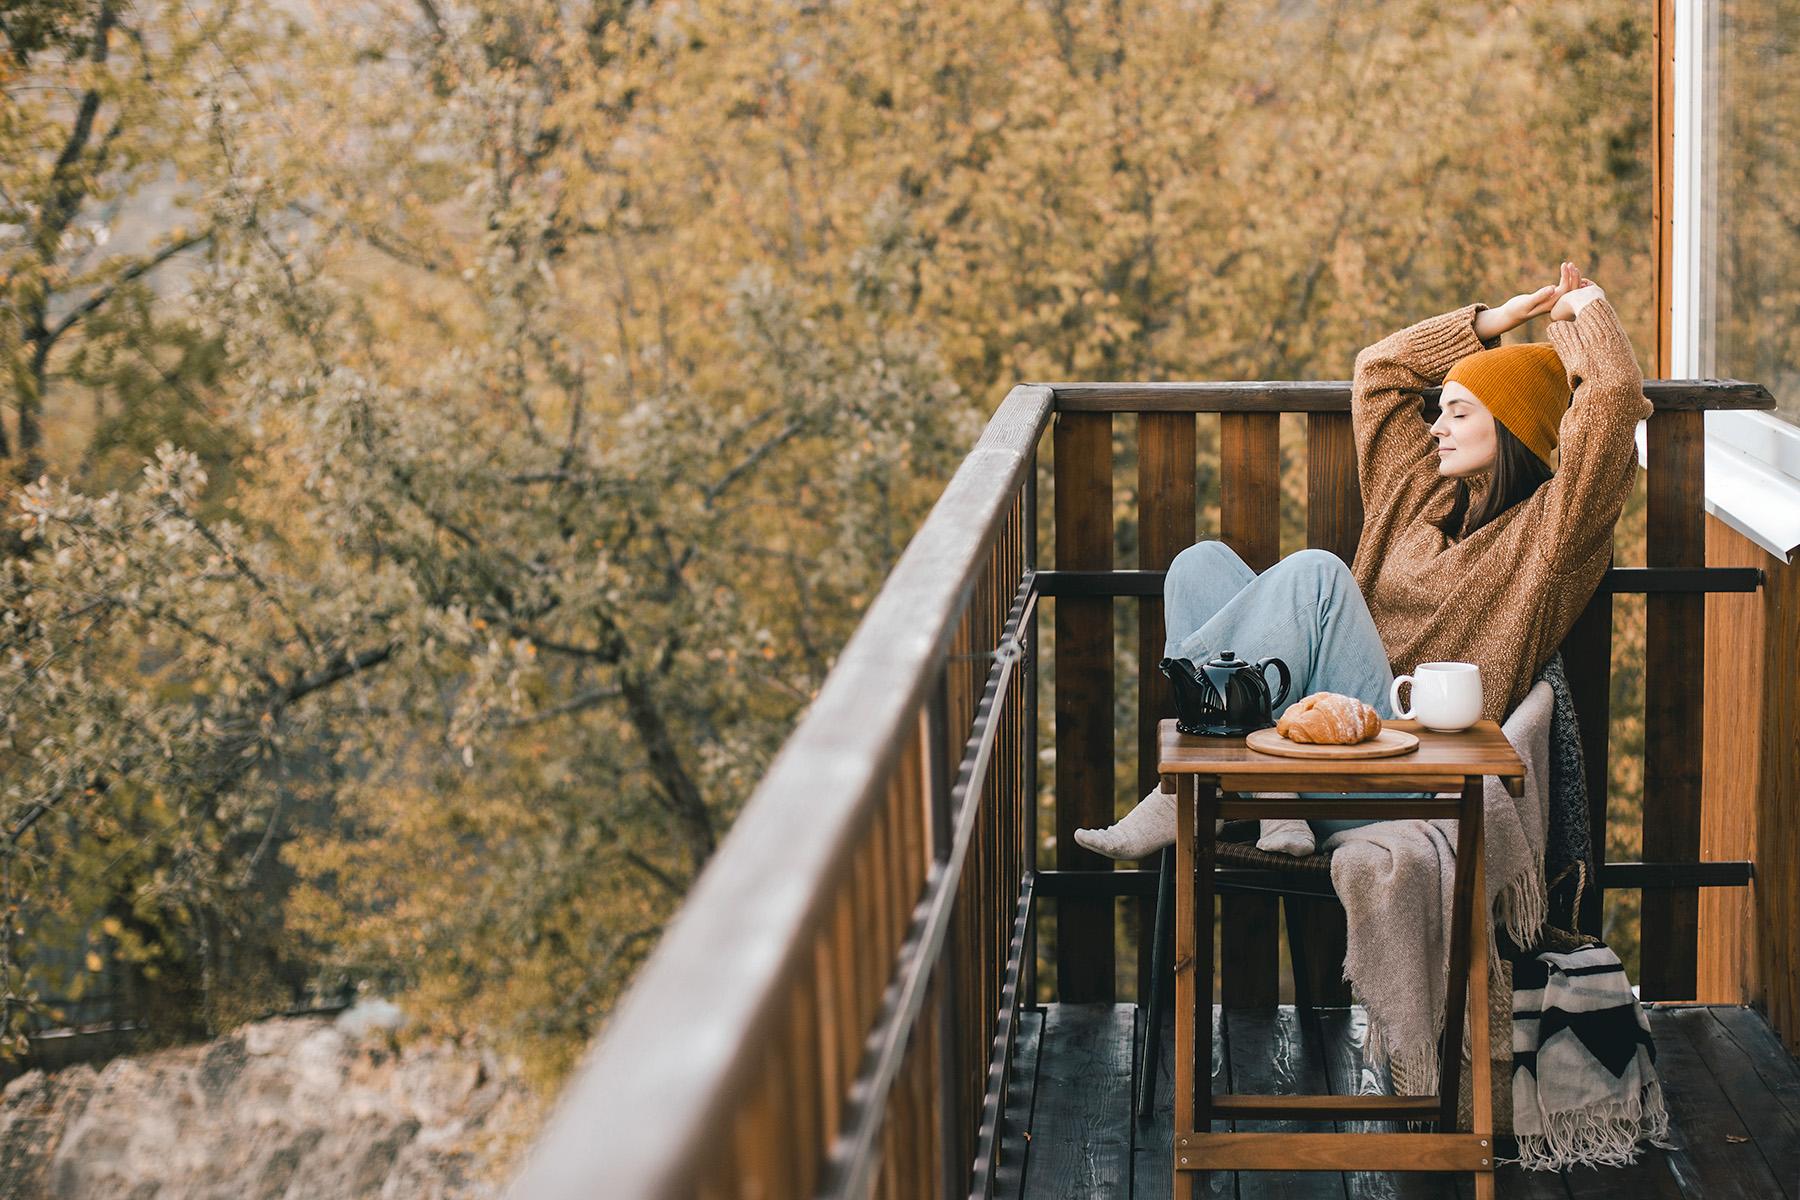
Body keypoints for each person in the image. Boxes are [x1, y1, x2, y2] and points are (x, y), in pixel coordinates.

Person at [1074, 261, 1652, 860]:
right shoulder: (1414, 494)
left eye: (1459, 412)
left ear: (1512, 430)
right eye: (1440, 411)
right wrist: (1495, 320)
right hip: (1320, 743)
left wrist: (1587, 310)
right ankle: (1266, 793)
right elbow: (1378, 371)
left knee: (1319, 575)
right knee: (1199, 564)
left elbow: (1610, 404)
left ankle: (1195, 781)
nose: (1436, 429)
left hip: (1402, 772)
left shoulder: (1551, 536)